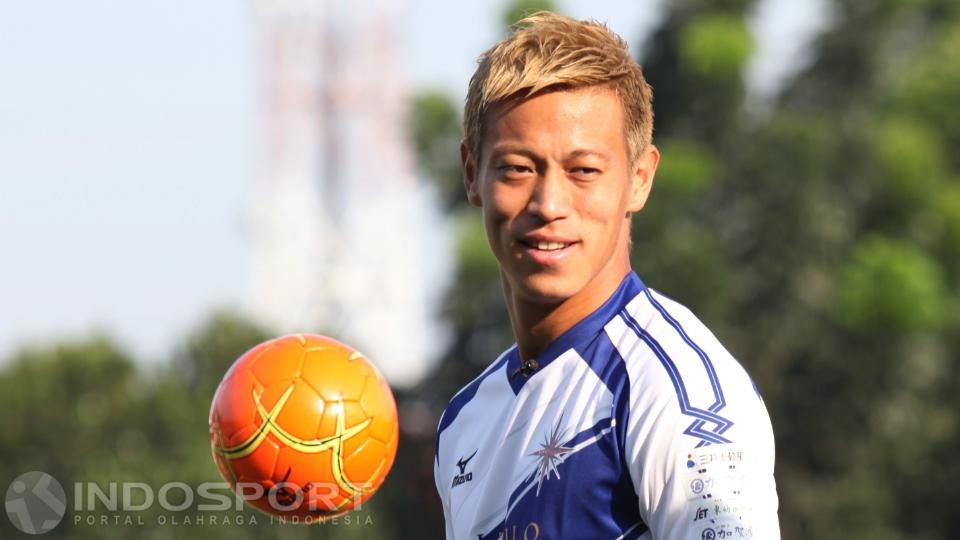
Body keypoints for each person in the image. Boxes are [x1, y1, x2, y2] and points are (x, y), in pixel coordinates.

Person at [433, 11, 780, 540]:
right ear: (470, 174)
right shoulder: (463, 423)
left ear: (639, 180)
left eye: (584, 170)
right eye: (517, 168)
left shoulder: (680, 394)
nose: (549, 204)